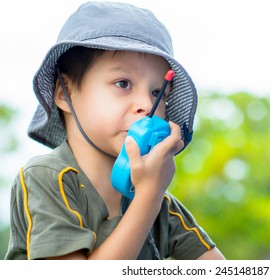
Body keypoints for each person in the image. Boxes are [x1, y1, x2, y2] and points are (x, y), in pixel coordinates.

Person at [5, 1, 225, 260]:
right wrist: (148, 197)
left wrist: (151, 195)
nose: (146, 105)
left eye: (158, 94)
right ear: (64, 94)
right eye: (123, 83)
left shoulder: (162, 204)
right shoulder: (47, 178)